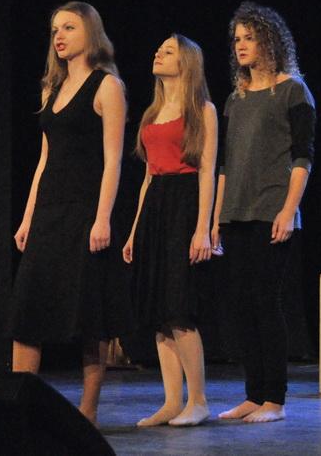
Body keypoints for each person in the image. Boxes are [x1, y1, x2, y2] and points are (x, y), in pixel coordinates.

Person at [7, 1, 129, 425]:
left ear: (90, 33)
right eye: (55, 29)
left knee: (89, 315)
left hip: (84, 211)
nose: (59, 36)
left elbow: (113, 160)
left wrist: (102, 217)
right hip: (49, 213)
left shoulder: (107, 86)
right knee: (27, 312)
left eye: (69, 28)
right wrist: (28, 217)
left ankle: (88, 410)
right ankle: (18, 408)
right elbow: (44, 161)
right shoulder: (51, 89)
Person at [211, 1, 316, 423]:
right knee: (241, 305)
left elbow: (303, 157)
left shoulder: (292, 90)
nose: (240, 45)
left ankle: (275, 399)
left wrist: (289, 210)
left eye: (249, 38)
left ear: (269, 42)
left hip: (272, 210)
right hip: (234, 213)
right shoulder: (235, 99)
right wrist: (215, 218)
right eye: (237, 39)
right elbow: (225, 165)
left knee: (266, 303)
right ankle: (254, 394)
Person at [123, 34, 217, 427]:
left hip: (184, 203)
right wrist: (133, 231)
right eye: (158, 49)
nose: (158, 53)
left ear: (186, 62)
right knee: (160, 312)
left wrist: (202, 229)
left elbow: (207, 171)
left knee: (179, 307)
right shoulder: (152, 113)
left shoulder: (202, 110)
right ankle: (171, 401)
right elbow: (147, 177)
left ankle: (198, 400)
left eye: (168, 51)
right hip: (156, 207)